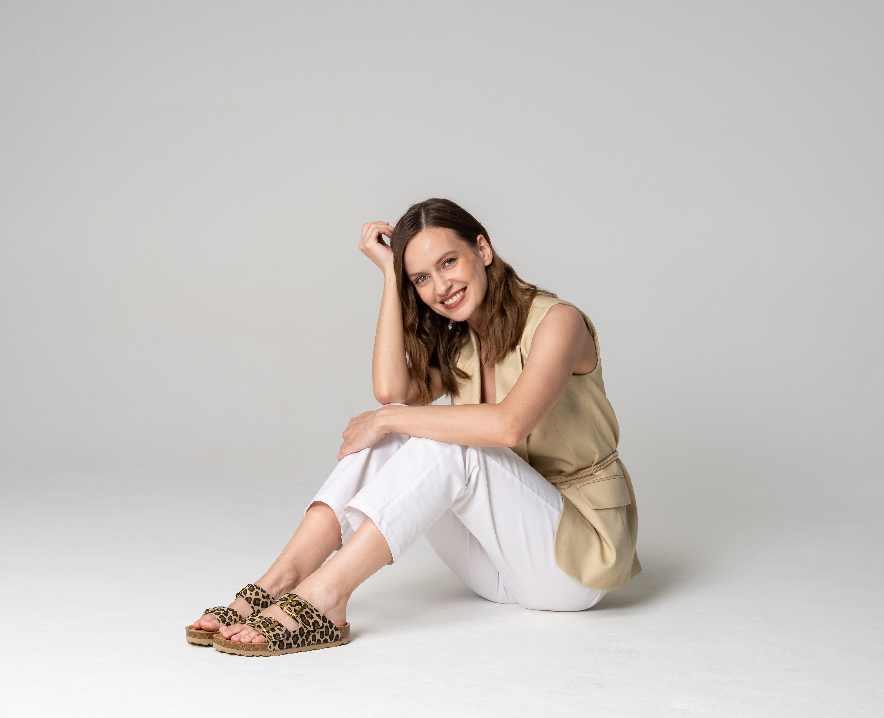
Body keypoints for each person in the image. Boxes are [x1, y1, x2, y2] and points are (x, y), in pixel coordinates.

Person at [184, 198, 640, 657]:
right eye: (421, 278)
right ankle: (281, 580)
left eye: (448, 262)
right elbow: (392, 392)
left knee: (439, 440)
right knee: (399, 431)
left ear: (482, 249)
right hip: (501, 566)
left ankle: (326, 595)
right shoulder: (463, 342)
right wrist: (390, 276)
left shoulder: (559, 322)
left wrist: (386, 418)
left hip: (576, 564)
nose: (440, 287)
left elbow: (508, 426)